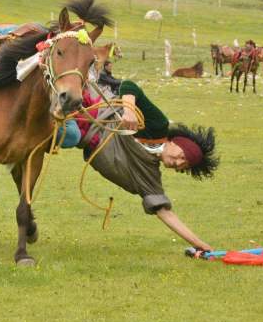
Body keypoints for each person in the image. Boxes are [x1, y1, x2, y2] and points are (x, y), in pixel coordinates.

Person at [59, 80, 219, 252]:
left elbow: (164, 210)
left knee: (71, 136)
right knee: (71, 134)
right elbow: (129, 86)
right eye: (182, 156)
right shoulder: (158, 126)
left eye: (183, 166)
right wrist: (129, 111)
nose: (178, 163)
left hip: (82, 134)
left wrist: (199, 244)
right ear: (175, 142)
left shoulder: (148, 174)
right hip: (86, 103)